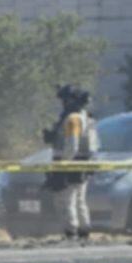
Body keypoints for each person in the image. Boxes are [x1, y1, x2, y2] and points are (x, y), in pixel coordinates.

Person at [51, 86, 97, 240]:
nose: (63, 103)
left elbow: (72, 145)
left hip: (71, 163)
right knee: (79, 198)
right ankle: (84, 229)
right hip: (83, 162)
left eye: (64, 99)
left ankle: (71, 230)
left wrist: (64, 163)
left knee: (67, 198)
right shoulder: (84, 116)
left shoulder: (73, 118)